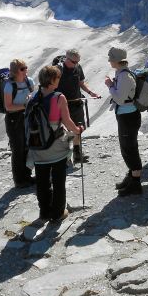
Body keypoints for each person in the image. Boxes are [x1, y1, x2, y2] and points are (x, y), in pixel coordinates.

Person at [28, 65, 84, 223]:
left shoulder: (32, 97)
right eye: (58, 77)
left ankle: (44, 212)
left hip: (38, 144)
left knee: (42, 181)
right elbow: (67, 121)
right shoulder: (59, 97)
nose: (59, 80)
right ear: (52, 80)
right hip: (56, 145)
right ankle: (58, 213)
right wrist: (78, 130)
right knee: (58, 180)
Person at [104, 47, 143, 196]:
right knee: (127, 147)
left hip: (128, 116)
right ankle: (132, 176)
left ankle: (136, 183)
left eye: (111, 58)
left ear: (116, 60)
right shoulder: (122, 73)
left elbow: (120, 99)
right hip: (126, 115)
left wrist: (110, 85)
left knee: (130, 148)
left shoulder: (124, 76)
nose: (109, 61)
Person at [55, 48, 101, 163]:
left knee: (78, 128)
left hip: (76, 102)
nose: (76, 64)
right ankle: (65, 156)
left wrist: (91, 93)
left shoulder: (77, 67)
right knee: (64, 130)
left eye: (78, 61)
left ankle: (77, 154)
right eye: (74, 62)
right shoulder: (58, 69)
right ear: (66, 58)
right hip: (63, 104)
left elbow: (81, 83)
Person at [3, 58, 36, 187]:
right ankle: (19, 180)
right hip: (14, 120)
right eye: (23, 69)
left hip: (27, 117)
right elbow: (8, 107)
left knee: (27, 146)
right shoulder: (9, 86)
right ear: (15, 71)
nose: (26, 70)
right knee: (18, 149)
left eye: (26, 67)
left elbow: (34, 96)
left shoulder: (30, 81)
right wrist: (25, 105)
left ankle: (27, 176)